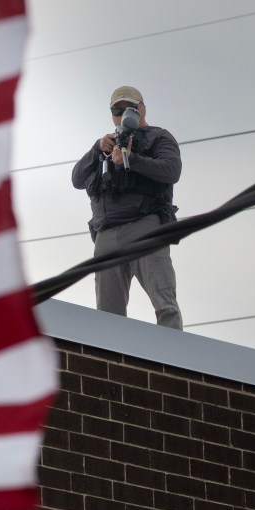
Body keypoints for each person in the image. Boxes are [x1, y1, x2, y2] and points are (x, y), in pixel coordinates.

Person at [71, 86, 183, 329]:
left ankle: (175, 351)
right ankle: (110, 354)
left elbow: (172, 170)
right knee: (107, 314)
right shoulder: (104, 146)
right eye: (117, 110)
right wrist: (97, 148)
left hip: (145, 226)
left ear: (143, 109)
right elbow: (77, 179)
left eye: (130, 108)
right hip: (107, 233)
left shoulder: (158, 136)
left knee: (164, 301)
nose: (122, 114)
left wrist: (132, 159)